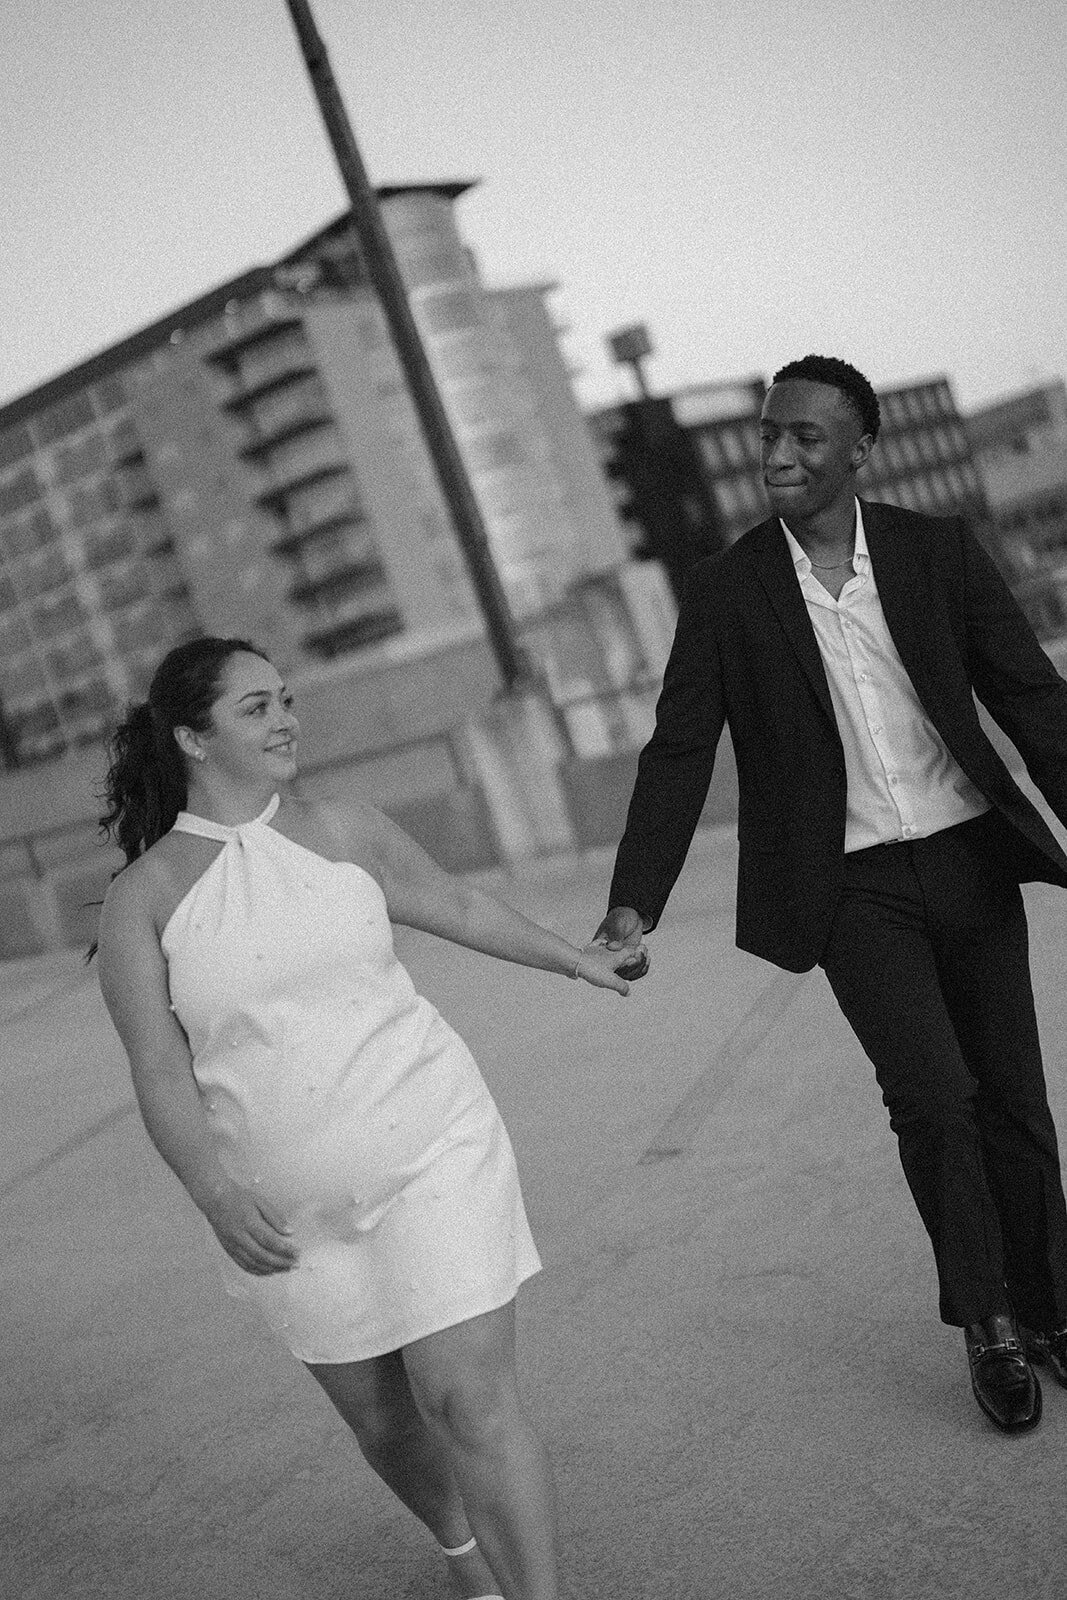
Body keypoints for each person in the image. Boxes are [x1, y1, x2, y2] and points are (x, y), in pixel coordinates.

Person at [94, 635, 636, 1600]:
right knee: (385, 1427)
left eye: (286, 699)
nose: (285, 719)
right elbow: (160, 1074)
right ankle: (465, 1554)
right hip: (285, 1217)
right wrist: (215, 1196)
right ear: (192, 736)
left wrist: (571, 957)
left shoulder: (345, 828)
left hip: (433, 1147)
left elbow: (457, 903)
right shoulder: (144, 900)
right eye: (255, 706)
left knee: (467, 1402)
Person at [593, 353, 1067, 1435]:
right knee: (933, 1100)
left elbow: (1027, 696)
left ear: (860, 449)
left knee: (1012, 1099)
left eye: (805, 437)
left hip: (965, 856)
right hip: (848, 887)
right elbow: (678, 749)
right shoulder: (724, 590)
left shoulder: (935, 551)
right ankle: (988, 1323)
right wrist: (635, 899)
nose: (778, 453)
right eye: (769, 434)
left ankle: (1048, 1307)